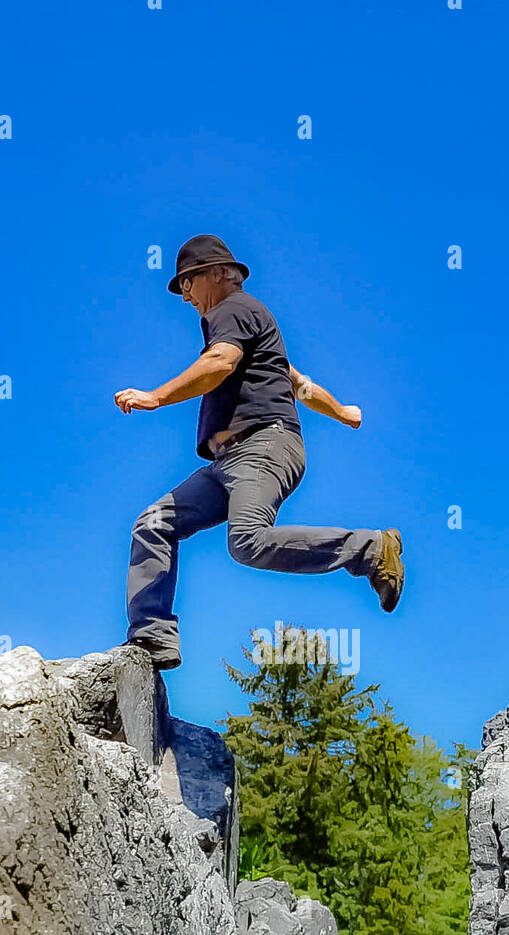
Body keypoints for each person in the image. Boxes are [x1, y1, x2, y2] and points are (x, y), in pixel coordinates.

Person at [114, 234, 404, 670]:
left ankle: (370, 549)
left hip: (262, 446)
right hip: (227, 463)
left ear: (218, 273)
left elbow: (219, 363)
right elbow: (300, 384)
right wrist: (343, 412)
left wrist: (155, 397)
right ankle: (152, 637)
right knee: (153, 524)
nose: (185, 294)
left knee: (247, 541)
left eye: (188, 281)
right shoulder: (254, 326)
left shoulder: (233, 310)